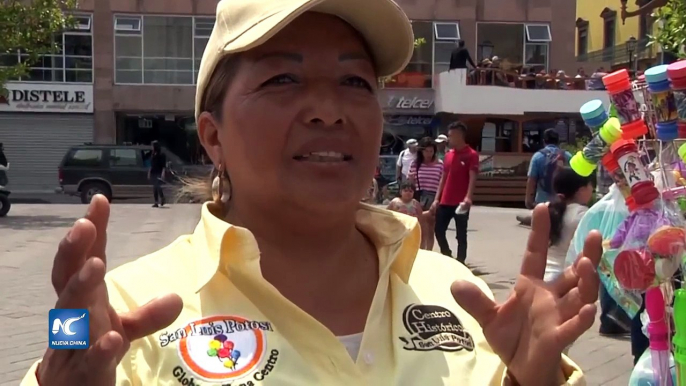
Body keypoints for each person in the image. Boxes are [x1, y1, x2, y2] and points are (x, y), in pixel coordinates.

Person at [25, 1, 603, 385]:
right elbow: (62, 360)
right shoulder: (122, 314)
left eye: (354, 82)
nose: (329, 111)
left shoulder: (462, 296)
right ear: (212, 136)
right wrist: (63, 355)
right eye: (283, 79)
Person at [565, 185, 632, 340]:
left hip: (606, 253)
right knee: (621, 286)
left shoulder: (600, 207)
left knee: (608, 283)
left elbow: (583, 234)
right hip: (622, 254)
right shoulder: (627, 208)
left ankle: (610, 321)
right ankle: (618, 321)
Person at [433, 122, 478, 263]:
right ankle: (447, 255)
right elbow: (443, 178)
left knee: (461, 234)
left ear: (459, 135)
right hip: (445, 200)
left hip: (461, 202)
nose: (449, 138)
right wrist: (436, 199)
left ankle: (461, 261)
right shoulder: (448, 155)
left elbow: (472, 177)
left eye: (451, 135)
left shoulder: (471, 154)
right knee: (439, 231)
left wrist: (468, 197)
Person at [544, 167, 593, 283]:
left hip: (543, 274)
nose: (592, 190)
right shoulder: (583, 215)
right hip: (566, 278)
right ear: (581, 190)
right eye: (591, 186)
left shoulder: (547, 209)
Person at [517, 129, 571, 226]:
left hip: (542, 202)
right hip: (562, 203)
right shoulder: (567, 156)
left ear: (544, 141)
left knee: (539, 227)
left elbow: (532, 180)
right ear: (558, 141)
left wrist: (528, 200)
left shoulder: (538, 156)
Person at [408, 137, 443, 250]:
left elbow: (442, 183)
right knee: (420, 227)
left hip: (433, 196)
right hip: (419, 196)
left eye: (431, 151)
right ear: (421, 151)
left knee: (430, 227)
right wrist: (411, 179)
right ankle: (421, 251)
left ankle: (429, 251)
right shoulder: (415, 164)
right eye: (426, 151)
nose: (429, 154)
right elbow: (410, 183)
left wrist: (438, 200)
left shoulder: (440, 164)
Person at [148, 140, 167, 207]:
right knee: (154, 187)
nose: (151, 147)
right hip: (153, 171)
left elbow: (163, 165)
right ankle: (156, 202)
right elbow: (151, 164)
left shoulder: (161, 154)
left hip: (159, 172)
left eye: (152, 146)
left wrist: (163, 173)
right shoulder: (153, 154)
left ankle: (162, 198)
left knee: (158, 186)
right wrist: (149, 172)